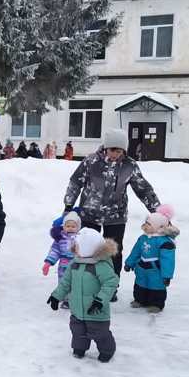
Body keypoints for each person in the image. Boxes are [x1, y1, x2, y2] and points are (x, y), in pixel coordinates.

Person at [63, 128, 160, 302]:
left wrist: (157, 211)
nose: (115, 153)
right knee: (86, 249)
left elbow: (143, 188)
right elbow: (75, 182)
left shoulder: (129, 165)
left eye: (119, 150)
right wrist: (69, 205)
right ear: (106, 147)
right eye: (112, 149)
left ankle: (111, 286)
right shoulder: (91, 161)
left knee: (113, 252)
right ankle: (85, 283)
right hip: (89, 213)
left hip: (116, 215)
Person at [48, 228, 119, 363]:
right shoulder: (74, 263)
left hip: (96, 310)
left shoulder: (101, 265)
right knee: (77, 331)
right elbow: (66, 282)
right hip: (77, 309)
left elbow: (110, 283)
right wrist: (56, 296)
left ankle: (107, 350)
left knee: (100, 333)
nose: (74, 248)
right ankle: (79, 349)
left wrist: (100, 300)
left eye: (78, 246)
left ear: (88, 247)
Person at [124, 205, 178, 313]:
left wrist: (167, 276)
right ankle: (140, 299)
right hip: (141, 267)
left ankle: (156, 304)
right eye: (145, 223)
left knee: (156, 286)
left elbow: (168, 261)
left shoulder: (165, 242)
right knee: (140, 284)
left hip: (156, 270)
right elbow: (136, 251)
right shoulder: (143, 238)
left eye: (149, 224)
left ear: (159, 227)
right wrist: (129, 263)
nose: (145, 226)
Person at [43, 211, 82, 308]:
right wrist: (48, 262)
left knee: (76, 282)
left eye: (73, 226)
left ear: (78, 227)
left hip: (77, 265)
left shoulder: (81, 238)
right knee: (63, 282)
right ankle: (66, 299)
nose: (70, 228)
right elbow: (55, 251)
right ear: (63, 226)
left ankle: (74, 299)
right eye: (68, 226)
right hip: (63, 266)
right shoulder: (60, 238)